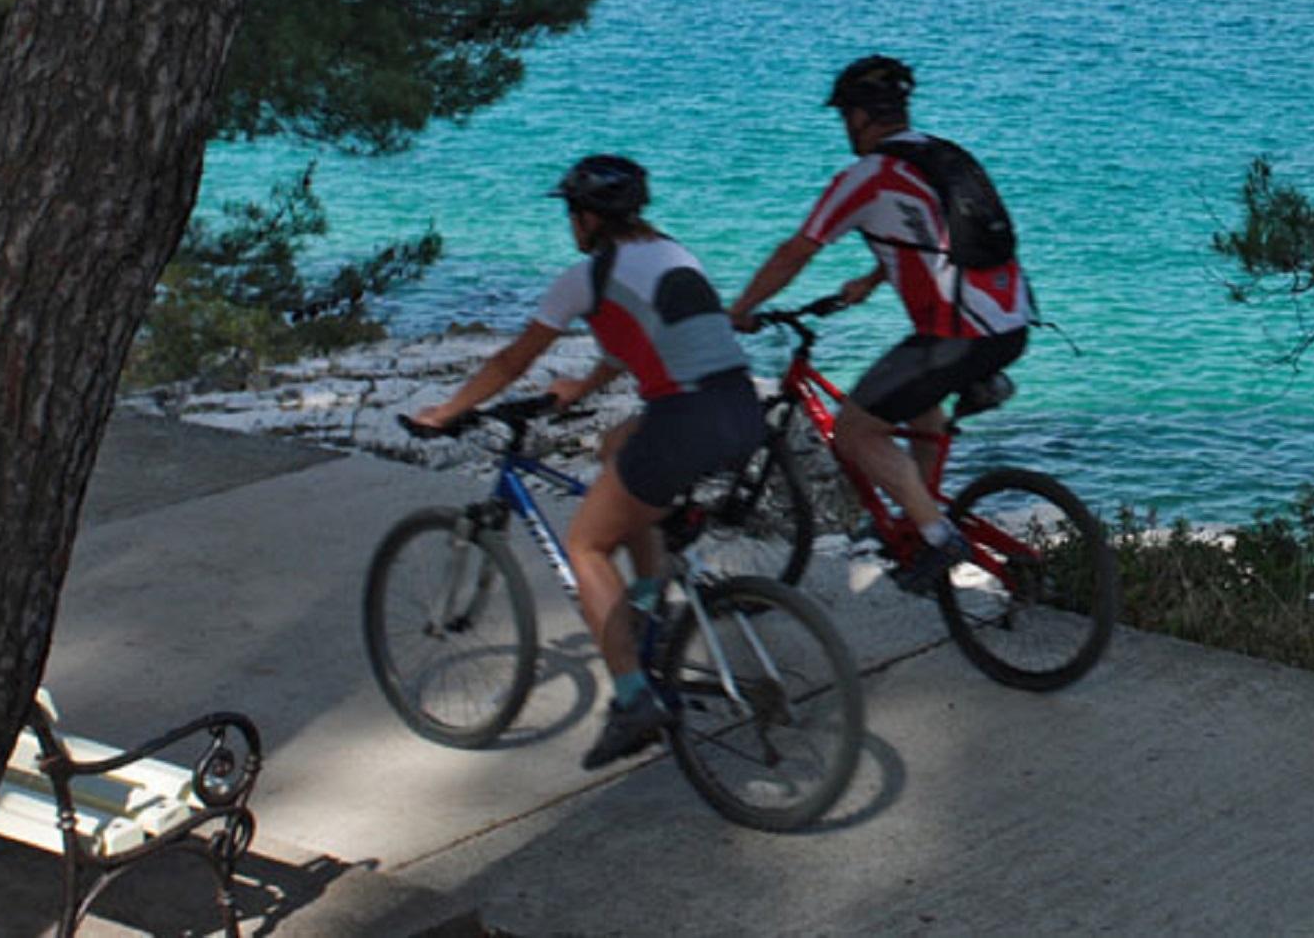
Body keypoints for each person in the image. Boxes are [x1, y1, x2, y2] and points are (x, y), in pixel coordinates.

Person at [409, 155, 766, 769]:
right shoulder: (676, 253)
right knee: (617, 449)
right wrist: (588, 383)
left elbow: (511, 363)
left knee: (586, 546)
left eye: (571, 212)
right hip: (740, 409)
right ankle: (649, 595)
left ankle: (633, 700)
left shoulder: (584, 277)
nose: (569, 223)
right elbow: (649, 334)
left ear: (588, 218)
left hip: (683, 422)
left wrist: (447, 410)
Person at [729, 55, 1037, 595]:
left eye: (845, 116)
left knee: (853, 431)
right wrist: (873, 278)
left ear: (860, 118)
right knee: (920, 404)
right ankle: (923, 509)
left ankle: (937, 536)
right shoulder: (939, 155)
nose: (844, 127)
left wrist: (740, 308)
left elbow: (795, 252)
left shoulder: (867, 177)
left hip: (956, 333)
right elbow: (940, 231)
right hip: (1010, 321)